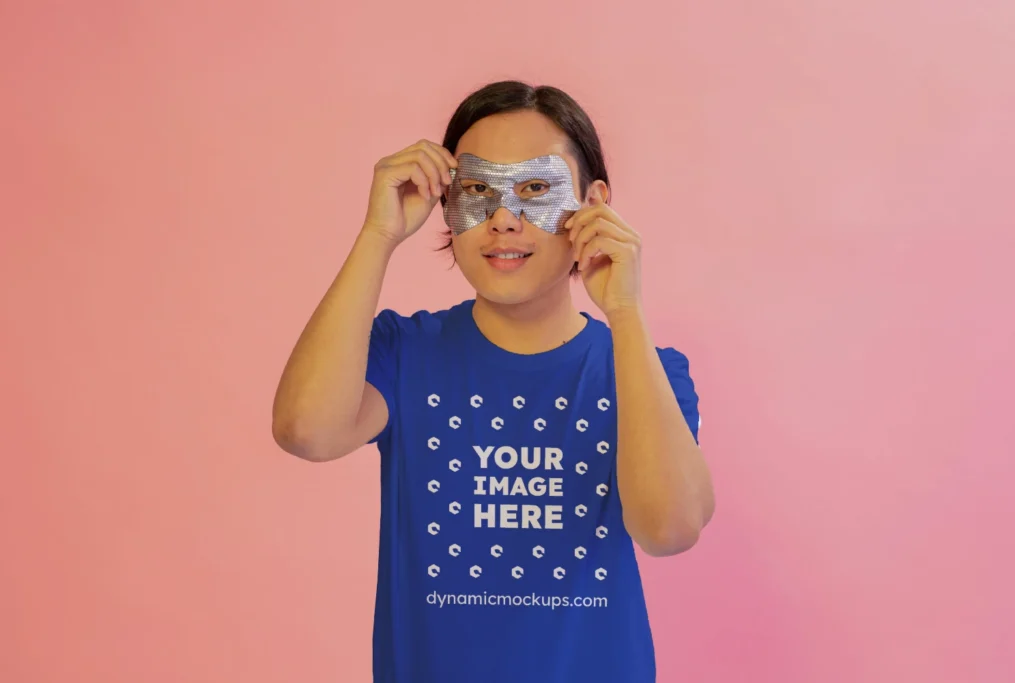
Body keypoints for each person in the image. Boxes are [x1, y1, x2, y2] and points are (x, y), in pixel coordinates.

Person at [272, 80, 715, 683]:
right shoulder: (403, 353)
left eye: (536, 189)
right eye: (478, 190)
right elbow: (306, 432)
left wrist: (626, 313)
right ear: (446, 202)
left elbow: (670, 529)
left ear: (593, 201)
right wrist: (377, 236)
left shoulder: (648, 371)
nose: (504, 220)